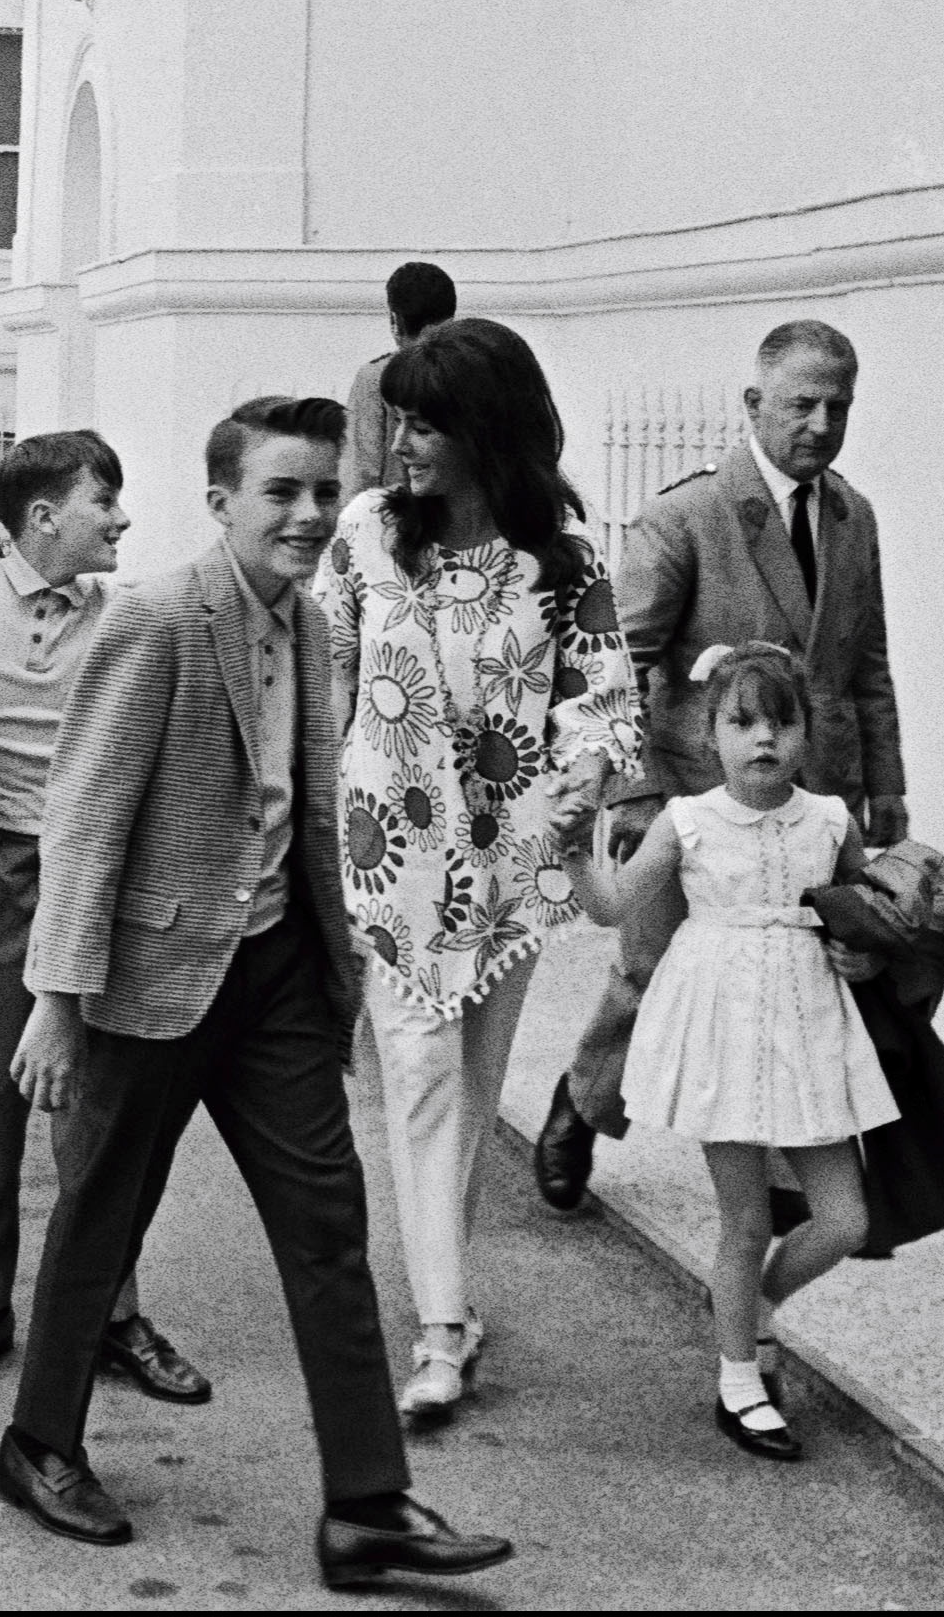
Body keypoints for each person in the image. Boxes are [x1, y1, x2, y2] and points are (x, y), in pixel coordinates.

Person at [0, 396, 512, 1589]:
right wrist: (58, 997)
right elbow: (84, 813)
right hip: (153, 976)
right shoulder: (161, 617)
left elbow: (316, 804)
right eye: (282, 491)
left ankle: (367, 1506)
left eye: (325, 490)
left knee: (329, 1229)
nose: (310, 513)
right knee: (100, 1214)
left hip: (275, 973)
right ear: (220, 500)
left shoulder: (323, 627)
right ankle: (38, 1443)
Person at [310, 319, 638, 1427]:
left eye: (426, 422)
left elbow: (602, 702)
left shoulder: (564, 563)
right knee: (421, 1084)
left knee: (471, 1092)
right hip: (389, 861)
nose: (400, 441)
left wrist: (580, 782)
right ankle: (441, 1332)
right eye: (396, 417)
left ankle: (440, 1297)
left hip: (510, 868)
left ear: (485, 431)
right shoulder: (365, 535)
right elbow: (321, 673)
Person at [538, 318, 906, 1214]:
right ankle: (580, 1105)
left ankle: (784, 1162)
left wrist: (886, 787)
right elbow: (616, 660)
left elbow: (866, 666)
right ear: (754, 404)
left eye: (838, 406)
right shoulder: (687, 516)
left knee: (797, 980)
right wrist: (634, 796)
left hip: (811, 801)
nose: (820, 423)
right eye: (801, 404)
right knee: (652, 968)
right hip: (696, 796)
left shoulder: (853, 517)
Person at [0, 430, 210, 1403]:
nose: (121, 518)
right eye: (103, 501)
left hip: (94, 883)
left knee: (103, 1116)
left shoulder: (126, 615)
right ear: (41, 518)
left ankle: (112, 1313)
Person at [575, 641, 895, 1460]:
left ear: (804, 734)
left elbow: (863, 916)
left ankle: (754, 1307)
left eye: (781, 722)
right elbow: (612, 907)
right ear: (709, 732)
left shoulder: (830, 821)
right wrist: (578, 846)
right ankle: (739, 1376)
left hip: (808, 1027)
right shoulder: (687, 823)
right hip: (721, 1024)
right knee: (745, 1218)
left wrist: (868, 953)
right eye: (741, 721)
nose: (763, 740)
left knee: (845, 1217)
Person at [340, 262, 455, 497]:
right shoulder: (477, 368)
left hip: (399, 520)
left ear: (394, 319)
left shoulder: (376, 377)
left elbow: (362, 471)